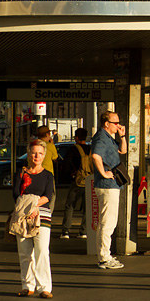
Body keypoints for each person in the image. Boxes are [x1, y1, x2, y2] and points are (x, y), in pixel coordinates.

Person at [12, 139, 55, 297]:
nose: (37, 156)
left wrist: (34, 206)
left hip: (42, 215)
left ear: (44, 156)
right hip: (23, 216)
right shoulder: (21, 173)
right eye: (34, 153)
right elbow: (16, 194)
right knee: (24, 252)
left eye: (40, 153)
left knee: (42, 251)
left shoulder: (48, 175)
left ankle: (44, 287)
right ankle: (27, 285)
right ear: (28, 154)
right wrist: (28, 209)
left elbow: (48, 196)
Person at [89, 111, 125, 270]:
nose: (118, 125)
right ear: (106, 123)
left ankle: (105, 254)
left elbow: (122, 151)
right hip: (107, 185)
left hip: (112, 185)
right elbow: (96, 156)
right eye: (115, 123)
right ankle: (104, 257)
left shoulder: (108, 138)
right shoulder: (101, 137)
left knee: (109, 221)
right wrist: (104, 173)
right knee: (107, 222)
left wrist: (122, 136)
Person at [59, 127, 91, 239]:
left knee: (70, 205)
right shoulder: (90, 149)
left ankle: (66, 231)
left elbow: (66, 165)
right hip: (89, 181)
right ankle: (83, 231)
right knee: (88, 208)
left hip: (77, 181)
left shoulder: (73, 149)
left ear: (76, 138)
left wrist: (70, 175)